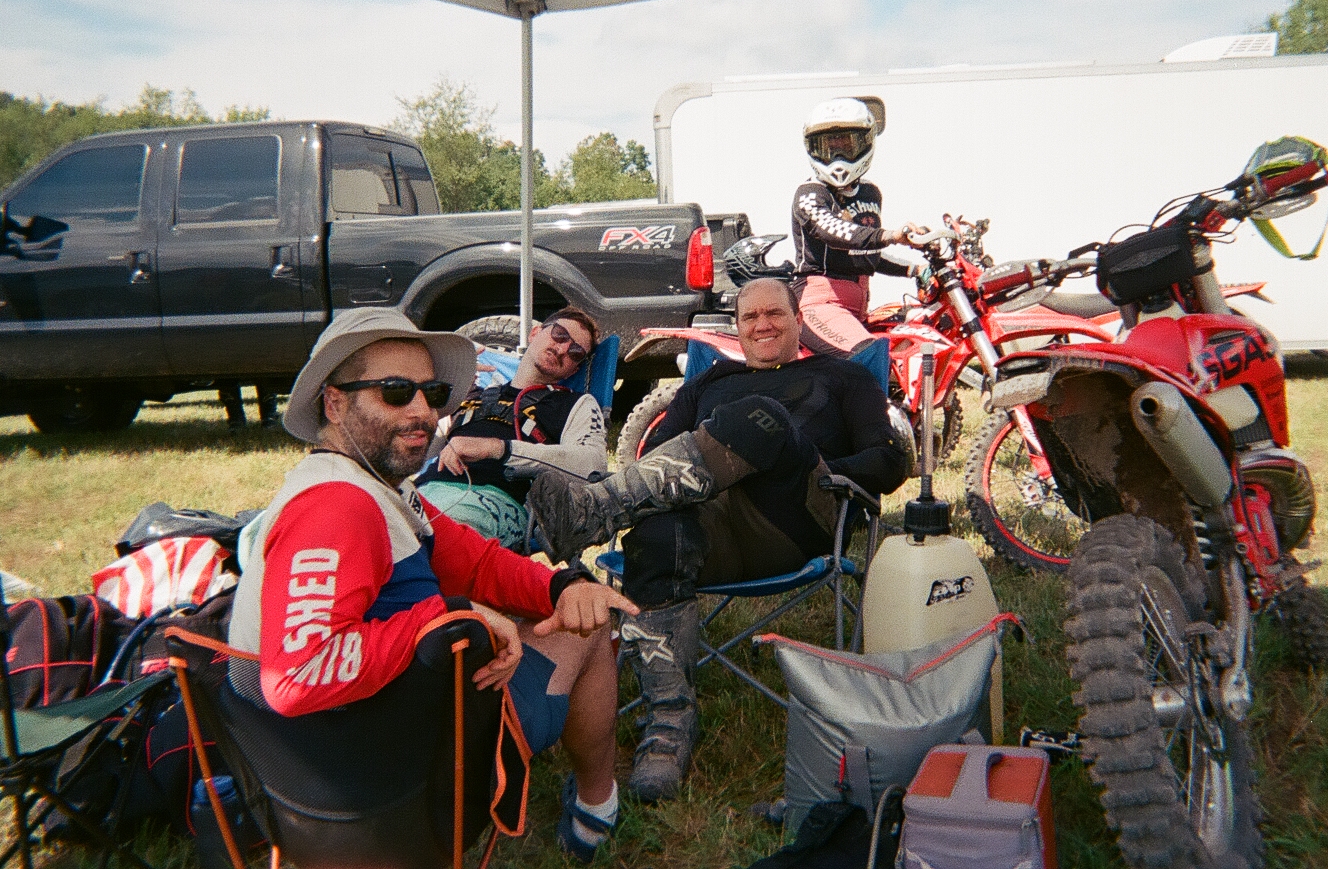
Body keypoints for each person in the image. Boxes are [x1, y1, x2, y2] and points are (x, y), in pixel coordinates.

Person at [228, 307, 639, 861]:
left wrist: (561, 586)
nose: (423, 411)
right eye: (396, 392)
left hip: (351, 751)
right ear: (335, 402)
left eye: (433, 392)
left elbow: (475, 562)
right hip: (397, 772)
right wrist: (449, 617)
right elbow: (299, 675)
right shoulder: (338, 507)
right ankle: (597, 808)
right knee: (585, 631)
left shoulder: (380, 489)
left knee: (570, 606)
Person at [526, 278, 907, 801]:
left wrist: (812, 466)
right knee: (656, 533)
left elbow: (888, 460)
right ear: (738, 328)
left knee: (762, 420)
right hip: (709, 530)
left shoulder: (843, 375)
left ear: (799, 321)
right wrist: (719, 465)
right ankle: (667, 728)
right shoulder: (711, 381)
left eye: (774, 314)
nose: (762, 325)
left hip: (794, 517)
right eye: (750, 317)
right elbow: (656, 453)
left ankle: (591, 513)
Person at [413, 307, 606, 550]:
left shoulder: (574, 404)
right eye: (559, 334)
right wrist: (444, 394)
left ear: (574, 370)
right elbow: (417, 451)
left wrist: (500, 449)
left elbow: (593, 466)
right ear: (535, 333)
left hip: (493, 501)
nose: (562, 349)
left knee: (431, 540)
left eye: (576, 352)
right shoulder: (475, 394)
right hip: (425, 491)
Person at [791, 96, 928, 356]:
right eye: (829, 147)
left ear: (865, 143)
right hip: (819, 303)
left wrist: (915, 269)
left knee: (911, 345)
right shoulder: (809, 193)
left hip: (857, 306)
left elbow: (864, 252)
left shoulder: (869, 192)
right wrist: (892, 235)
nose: (838, 155)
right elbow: (832, 230)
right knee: (869, 356)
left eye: (846, 145)